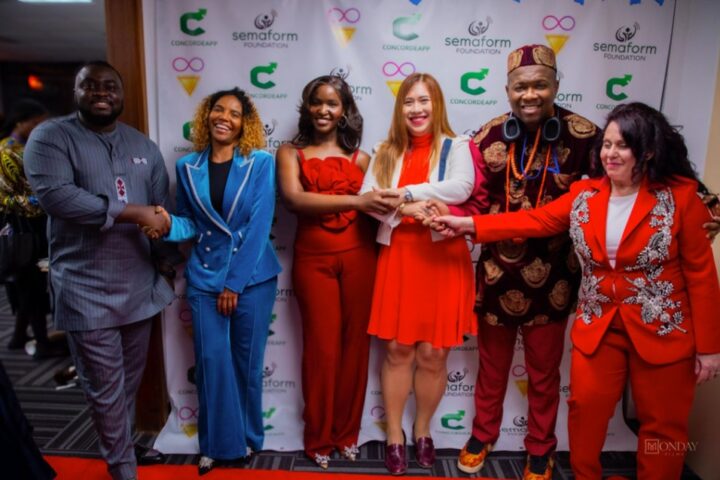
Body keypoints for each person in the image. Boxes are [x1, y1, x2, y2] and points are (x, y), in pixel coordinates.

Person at [434, 102, 720, 480]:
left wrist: (709, 349)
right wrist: (468, 225)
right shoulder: (585, 193)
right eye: (607, 144)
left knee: (664, 425)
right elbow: (535, 220)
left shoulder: (681, 198)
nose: (610, 153)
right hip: (599, 326)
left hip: (663, 329)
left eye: (622, 145)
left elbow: (701, 276)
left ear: (648, 151)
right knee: (585, 411)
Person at [420, 44, 600, 480]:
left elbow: (616, 190)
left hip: (555, 276)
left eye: (540, 85)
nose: (530, 95)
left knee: (544, 373)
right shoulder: (486, 137)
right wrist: (445, 212)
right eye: (521, 87)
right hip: (496, 273)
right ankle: (483, 434)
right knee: (492, 367)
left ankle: (540, 447)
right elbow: (472, 198)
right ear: (507, 90)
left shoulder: (585, 136)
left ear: (556, 85)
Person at [23, 61, 176, 480]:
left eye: (110, 86)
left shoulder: (142, 145)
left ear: (121, 94)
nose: (101, 92)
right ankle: (123, 467)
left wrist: (166, 258)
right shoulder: (51, 137)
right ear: (76, 92)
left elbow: (160, 208)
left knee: (127, 381)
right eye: (89, 85)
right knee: (104, 385)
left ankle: (120, 445)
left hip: (138, 285)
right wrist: (134, 212)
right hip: (85, 287)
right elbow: (58, 197)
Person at [153, 87, 280, 476]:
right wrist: (166, 225)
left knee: (246, 363)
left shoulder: (260, 163)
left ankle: (247, 438)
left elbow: (259, 227)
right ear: (206, 115)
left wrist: (234, 285)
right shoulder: (187, 166)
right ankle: (214, 445)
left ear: (245, 124)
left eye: (235, 113)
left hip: (252, 278)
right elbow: (190, 223)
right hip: (205, 276)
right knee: (210, 364)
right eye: (218, 109)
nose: (225, 117)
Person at [359, 72, 476, 475]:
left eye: (424, 100)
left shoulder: (457, 146)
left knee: (433, 352)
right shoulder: (385, 150)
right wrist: (406, 210)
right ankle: (394, 434)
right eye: (409, 101)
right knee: (397, 349)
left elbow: (461, 187)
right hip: (401, 256)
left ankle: (423, 429)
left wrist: (408, 194)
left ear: (436, 104)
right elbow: (367, 198)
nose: (417, 109)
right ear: (400, 108)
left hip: (442, 258)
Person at [276, 76, 391, 469]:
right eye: (317, 102)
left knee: (355, 348)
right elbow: (294, 200)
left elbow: (380, 207)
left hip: (361, 257)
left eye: (332, 103)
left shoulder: (362, 159)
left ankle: (347, 434)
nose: (324, 110)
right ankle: (318, 437)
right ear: (307, 107)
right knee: (321, 349)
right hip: (313, 261)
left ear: (344, 111)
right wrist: (357, 201)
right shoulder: (289, 152)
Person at [0, 99, 60, 357]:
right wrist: (39, 201)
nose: (39, 128)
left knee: (28, 282)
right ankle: (42, 343)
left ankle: (17, 337)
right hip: (22, 228)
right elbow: (4, 198)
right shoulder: (6, 152)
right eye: (36, 123)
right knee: (30, 285)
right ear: (20, 122)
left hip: (35, 224)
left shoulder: (28, 147)